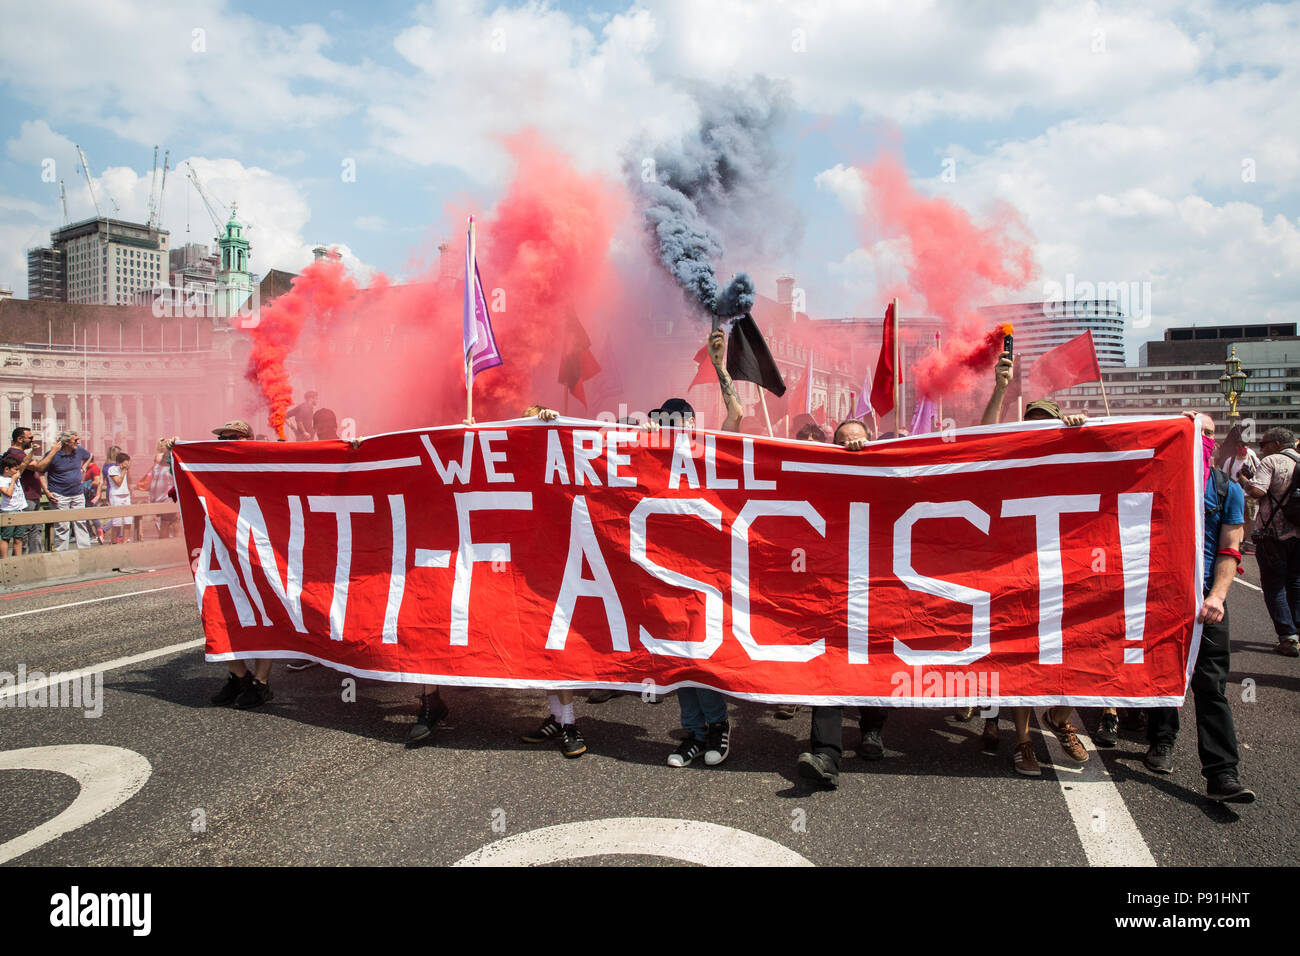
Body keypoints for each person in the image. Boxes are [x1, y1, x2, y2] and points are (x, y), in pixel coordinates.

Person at [979, 352, 1089, 775]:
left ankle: (1059, 720)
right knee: (1021, 656)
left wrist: (1082, 435)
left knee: (1079, 649)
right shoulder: (1011, 459)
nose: (1039, 428)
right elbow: (982, 439)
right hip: (1015, 571)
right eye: (1032, 422)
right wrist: (1001, 387)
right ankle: (1022, 739)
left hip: (1066, 571)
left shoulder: (1072, 461)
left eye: (1048, 422)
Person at [1144, 413, 1255, 803]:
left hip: (1207, 596)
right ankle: (1161, 741)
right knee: (1164, 673)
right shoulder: (1155, 479)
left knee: (1211, 683)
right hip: (1160, 593)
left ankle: (1222, 773)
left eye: (1208, 432)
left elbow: (1230, 549)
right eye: (1193, 430)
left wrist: (1218, 596)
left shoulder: (1228, 491)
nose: (1202, 438)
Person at [664, 329, 740, 768]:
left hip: (706, 572)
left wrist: (720, 367)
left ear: (692, 425)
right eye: (665, 423)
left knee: (701, 652)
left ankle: (717, 727)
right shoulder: (643, 457)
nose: (673, 428)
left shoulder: (708, 453)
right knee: (676, 656)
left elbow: (737, 417)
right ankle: (692, 732)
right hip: (662, 572)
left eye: (681, 421)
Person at [797, 419, 878, 788]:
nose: (851, 446)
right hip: (832, 587)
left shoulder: (892, 472)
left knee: (876, 660)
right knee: (829, 666)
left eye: (858, 440)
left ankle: (872, 730)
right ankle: (827, 754)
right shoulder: (822, 477)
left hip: (880, 586)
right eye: (843, 442)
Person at [204, 420, 277, 709]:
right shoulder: (212, 469)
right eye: (222, 438)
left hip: (261, 549)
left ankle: (260, 683)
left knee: (265, 614)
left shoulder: (265, 462)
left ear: (249, 438)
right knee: (218, 611)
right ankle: (239, 676)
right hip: (224, 551)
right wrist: (176, 453)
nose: (226, 442)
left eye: (233, 437)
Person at [1243, 427, 1299, 657]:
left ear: (1276, 444)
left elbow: (1257, 491)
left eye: (1263, 444)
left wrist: (1244, 480)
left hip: (1273, 535)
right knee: (1295, 583)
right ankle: (1296, 629)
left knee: (1274, 586)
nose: (1260, 449)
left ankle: (1288, 637)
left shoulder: (1271, 462)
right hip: (1298, 533)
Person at [28, 430, 92, 551]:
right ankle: (61, 554)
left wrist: (83, 467)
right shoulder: (52, 454)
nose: (78, 442)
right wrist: (47, 492)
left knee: (81, 522)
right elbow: (41, 472)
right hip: (59, 494)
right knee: (62, 525)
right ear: (67, 442)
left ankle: (85, 551)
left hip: (77, 493)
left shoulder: (79, 450)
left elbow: (89, 455)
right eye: (75, 440)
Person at [7, 427, 46, 554]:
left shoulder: (22, 454)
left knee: (36, 529)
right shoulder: (15, 454)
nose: (32, 440)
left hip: (33, 496)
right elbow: (39, 466)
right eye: (30, 438)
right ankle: (22, 559)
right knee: (25, 531)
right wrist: (54, 452)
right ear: (19, 439)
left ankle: (35, 557)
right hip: (25, 497)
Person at [104, 453, 135, 543]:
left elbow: (128, 481)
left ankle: (125, 541)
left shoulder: (126, 470)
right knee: (117, 521)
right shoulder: (112, 469)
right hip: (116, 496)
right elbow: (118, 482)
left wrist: (131, 489)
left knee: (128, 520)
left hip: (126, 495)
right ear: (118, 462)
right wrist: (123, 471)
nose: (126, 465)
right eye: (124, 464)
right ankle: (114, 542)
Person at [1, 455, 27, 558]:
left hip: (20, 510)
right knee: (6, 537)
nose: (17, 472)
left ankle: (18, 560)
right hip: (8, 511)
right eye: (15, 470)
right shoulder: (2, 480)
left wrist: (33, 451)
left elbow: (24, 463)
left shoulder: (16, 476)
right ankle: (5, 561)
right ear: (6, 469)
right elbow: (8, 493)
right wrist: (13, 480)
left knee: (19, 538)